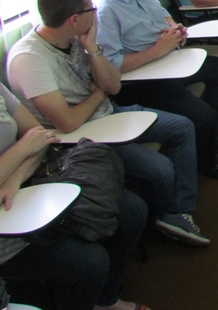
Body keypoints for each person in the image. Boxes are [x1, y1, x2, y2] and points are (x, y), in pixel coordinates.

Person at [6, 0, 209, 246]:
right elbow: (67, 123)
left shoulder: (77, 39)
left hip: (108, 114)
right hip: (80, 138)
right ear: (74, 19)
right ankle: (159, 218)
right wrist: (98, 95)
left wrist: (92, 49)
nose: (96, 12)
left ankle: (176, 210)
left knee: (182, 127)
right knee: (161, 170)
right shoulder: (29, 60)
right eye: (91, 8)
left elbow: (113, 86)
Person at [94, 0, 218, 180]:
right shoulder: (105, 11)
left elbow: (161, 12)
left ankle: (216, 138)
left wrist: (174, 27)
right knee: (204, 117)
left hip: (169, 59)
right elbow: (113, 67)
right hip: (143, 80)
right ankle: (207, 162)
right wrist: (159, 50)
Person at [0, 83, 150, 310]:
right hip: (7, 226)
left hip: (26, 183)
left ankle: (104, 299)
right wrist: (22, 148)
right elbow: (30, 141)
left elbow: (41, 137)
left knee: (131, 210)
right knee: (90, 262)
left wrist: (15, 177)